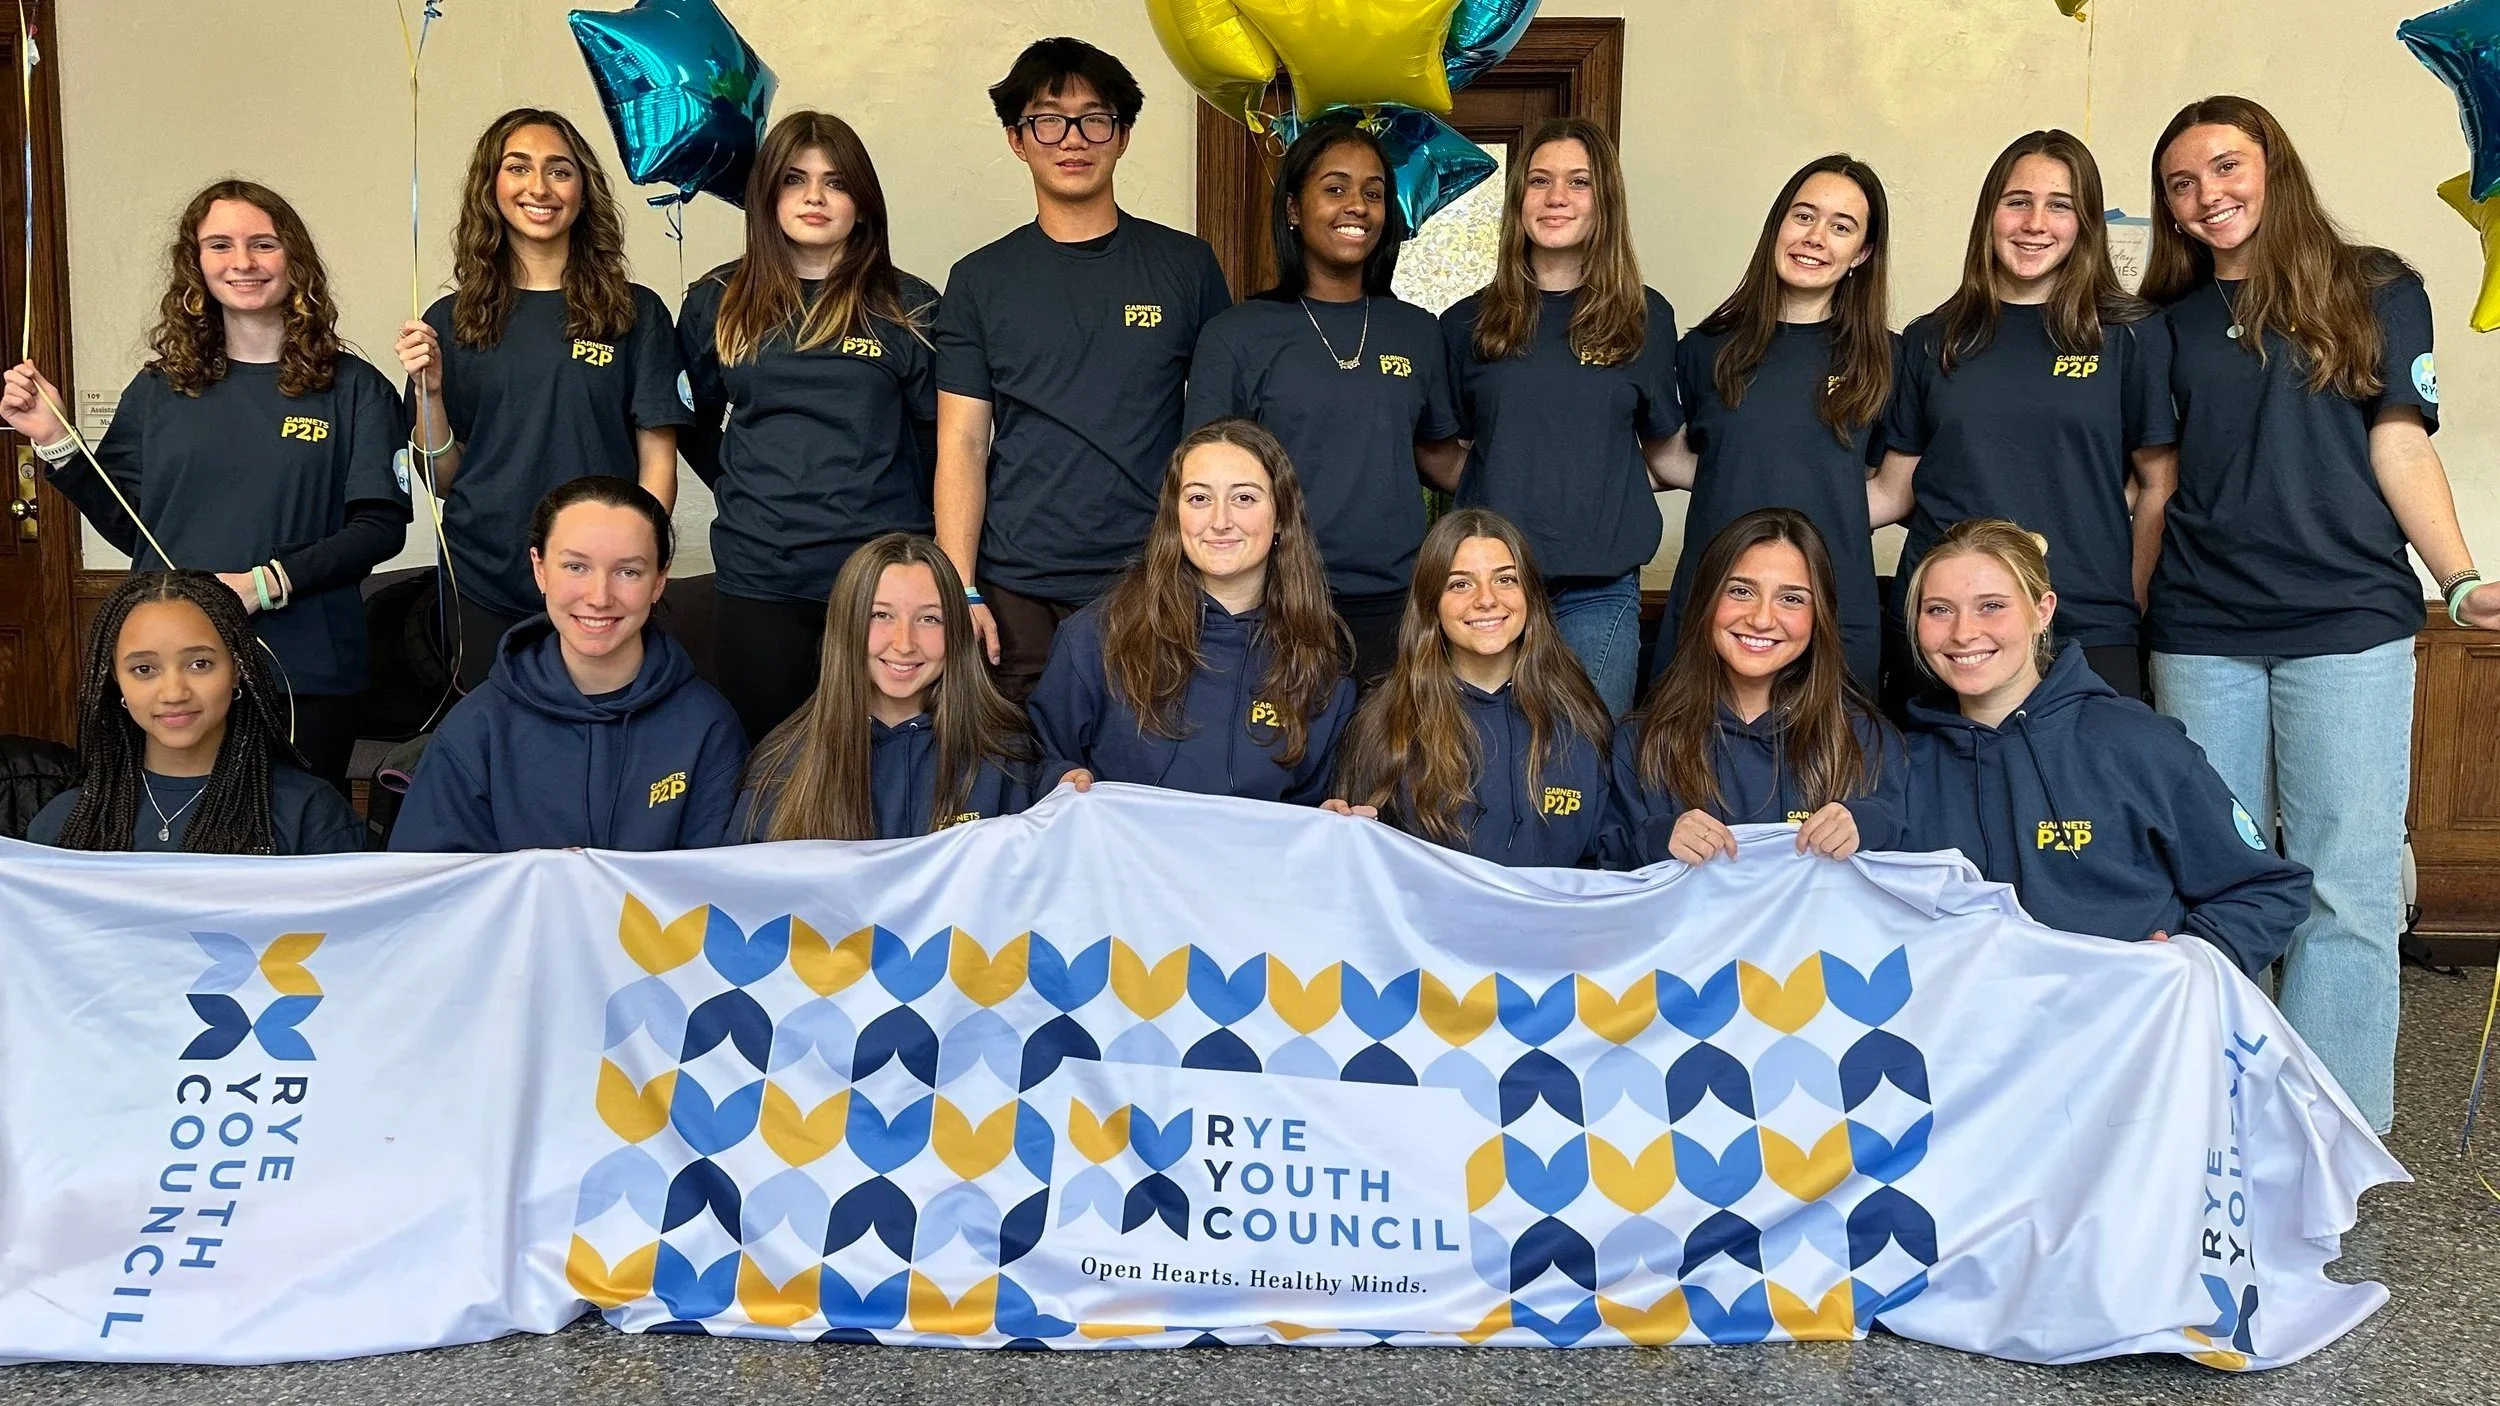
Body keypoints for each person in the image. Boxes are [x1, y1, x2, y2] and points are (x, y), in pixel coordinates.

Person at [2140, 96, 2500, 1131]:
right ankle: (2218, 1119)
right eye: (2180, 182)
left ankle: (2331, 1129)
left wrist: (2463, 579)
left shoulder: (2380, 290)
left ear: (2272, 166)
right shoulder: (2166, 327)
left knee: (2346, 883)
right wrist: (2126, 624)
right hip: (2201, 630)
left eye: (2223, 167)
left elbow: (2399, 445)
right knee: (2216, 876)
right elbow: (2157, 491)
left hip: (2349, 623)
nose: (2206, 194)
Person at [2, 180, 409, 792]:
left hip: (304, 671)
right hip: (170, 669)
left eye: (262, 244)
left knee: (290, 848)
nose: (241, 262)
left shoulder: (354, 388)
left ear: (294, 259)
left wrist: (265, 586)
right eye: (219, 245)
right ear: (196, 265)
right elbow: (128, 522)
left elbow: (378, 528)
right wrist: (55, 439)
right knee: (175, 847)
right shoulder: (159, 390)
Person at [934, 37, 1234, 702]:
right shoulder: (980, 280)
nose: (1073, 139)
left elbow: (1220, 436)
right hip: (1016, 590)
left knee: (1144, 780)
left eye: (1095, 118)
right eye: (1047, 120)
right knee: (1027, 783)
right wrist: (961, 588)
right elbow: (962, 441)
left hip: (1150, 579)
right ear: (1018, 139)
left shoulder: (1186, 268)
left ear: (1122, 135)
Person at [1900, 518, 2311, 980]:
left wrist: (2193, 957)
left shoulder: (2138, 745)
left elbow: (2269, 887)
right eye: (1938, 610)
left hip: (2122, 1031)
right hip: (1971, 1035)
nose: (1963, 632)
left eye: (1991, 606)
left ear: (2043, 611)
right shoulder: (1898, 764)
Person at [1868, 130, 2175, 704]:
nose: (2036, 222)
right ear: (1990, 214)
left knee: (2088, 796)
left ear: (2084, 223)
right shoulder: (1932, 339)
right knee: (1943, 794)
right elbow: (1894, 489)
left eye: (2059, 205)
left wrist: (2130, 600)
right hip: (1948, 632)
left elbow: (2158, 483)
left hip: (2086, 623)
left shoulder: (2131, 335)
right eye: (2017, 202)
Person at [396, 108, 691, 689]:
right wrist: (429, 394)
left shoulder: (636, 312)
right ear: (492, 188)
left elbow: (658, 464)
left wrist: (636, 563)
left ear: (583, 190)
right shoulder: (450, 322)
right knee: (499, 755)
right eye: (518, 168)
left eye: (559, 170)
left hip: (597, 585)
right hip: (482, 575)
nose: (539, 187)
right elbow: (441, 478)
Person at [679, 110, 942, 743]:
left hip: (880, 579)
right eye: (795, 180)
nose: (816, 197)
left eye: (835, 182)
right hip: (760, 575)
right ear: (766, 193)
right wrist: (746, 489)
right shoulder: (719, 298)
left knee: (882, 763)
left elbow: (940, 450)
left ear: (863, 200)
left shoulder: (911, 306)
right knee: (767, 763)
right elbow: (687, 424)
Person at [1186, 119, 1461, 685]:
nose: (1356, 206)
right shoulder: (1237, 334)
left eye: (1373, 192)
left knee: (1385, 770)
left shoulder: (1416, 331)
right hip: (1277, 600)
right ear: (1293, 209)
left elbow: (1440, 458)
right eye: (1334, 188)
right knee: (1283, 767)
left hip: (1397, 603)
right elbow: (1202, 477)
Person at [1436, 119, 1681, 714]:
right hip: (1489, 589)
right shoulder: (1465, 324)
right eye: (1540, 181)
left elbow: (1662, 453)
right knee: (1481, 763)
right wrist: (1502, 476)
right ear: (1518, 198)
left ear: (1605, 202)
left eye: (1579, 182)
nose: (1556, 198)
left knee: (1582, 767)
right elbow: (1438, 451)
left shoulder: (1645, 318)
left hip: (1597, 592)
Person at [390, 478, 745, 852]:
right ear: (540, 569)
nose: (599, 597)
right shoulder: (477, 727)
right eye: (576, 567)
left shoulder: (707, 725)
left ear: (659, 581)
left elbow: (721, 888)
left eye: (628, 572)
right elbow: (428, 890)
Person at [1652, 154, 1894, 689]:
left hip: (1835, 607)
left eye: (1841, 226)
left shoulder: (1888, 360)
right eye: (1803, 216)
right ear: (1778, 226)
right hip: (1716, 608)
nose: (1816, 237)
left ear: (1862, 254)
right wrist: (1740, 479)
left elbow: (1894, 491)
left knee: (1832, 768)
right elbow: (1669, 453)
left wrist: (1814, 498)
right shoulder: (1705, 350)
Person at [1026, 418, 1354, 802]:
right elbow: (1038, 759)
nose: (1220, 521)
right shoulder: (1097, 637)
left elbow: (1314, 804)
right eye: (1199, 498)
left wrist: (1331, 817)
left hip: (1255, 862)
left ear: (1280, 516)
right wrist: (1060, 777)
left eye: (1244, 498)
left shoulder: (1321, 661)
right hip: (1122, 860)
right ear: (1174, 515)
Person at [1607, 509, 1902, 869]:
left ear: (1820, 615)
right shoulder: (1640, 741)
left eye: (1791, 598)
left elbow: (1908, 868)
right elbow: (1607, 875)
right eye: (1741, 591)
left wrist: (1868, 826)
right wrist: (1656, 838)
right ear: (1705, 601)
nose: (1762, 619)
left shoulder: (1865, 739)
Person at [736, 534, 1078, 841]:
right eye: (880, 615)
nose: (904, 644)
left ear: (957, 630)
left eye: (930, 618)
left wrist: (1067, 788)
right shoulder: (782, 765)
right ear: (845, 626)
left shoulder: (1007, 753)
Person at [1329, 508, 1613, 866]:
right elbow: (1363, 869)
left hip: (1556, 920)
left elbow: (1610, 862)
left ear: (1531, 596)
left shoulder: (1580, 716)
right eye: (1460, 583)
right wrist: (1336, 831)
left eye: (1505, 579)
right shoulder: (1385, 721)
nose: (1486, 599)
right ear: (1431, 604)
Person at [28, 571, 363, 854]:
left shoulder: (310, 815)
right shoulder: (63, 823)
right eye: (144, 669)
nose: (174, 693)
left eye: (200, 663)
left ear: (237, 669)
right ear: (116, 680)